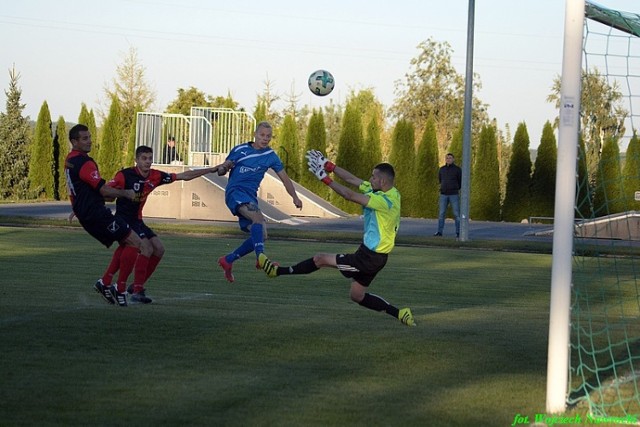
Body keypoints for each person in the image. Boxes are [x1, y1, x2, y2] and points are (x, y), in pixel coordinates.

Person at [258, 150, 416, 327]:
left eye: (373, 177)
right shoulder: (391, 192)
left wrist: (324, 178)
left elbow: (350, 195)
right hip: (374, 255)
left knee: (320, 259)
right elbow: (352, 180)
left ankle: (277, 272)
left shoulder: (384, 202)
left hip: (368, 258)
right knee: (357, 296)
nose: (370, 179)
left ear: (382, 181)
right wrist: (328, 165)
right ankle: (401, 314)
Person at [97, 145, 233, 304]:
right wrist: (88, 206)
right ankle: (131, 289)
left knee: (159, 249)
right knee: (146, 248)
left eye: (149, 158)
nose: (147, 162)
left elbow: (184, 176)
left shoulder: (155, 176)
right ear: (136, 160)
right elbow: (105, 191)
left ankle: (132, 286)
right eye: (144, 158)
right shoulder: (124, 175)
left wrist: (210, 170)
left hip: (137, 220)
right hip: (124, 220)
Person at [64, 123, 145, 307]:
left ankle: (105, 282)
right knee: (136, 242)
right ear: (74, 141)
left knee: (126, 241)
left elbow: (79, 189)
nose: (89, 141)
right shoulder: (84, 162)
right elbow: (102, 189)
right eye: (84, 138)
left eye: (90, 137)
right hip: (97, 215)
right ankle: (119, 287)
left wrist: (78, 207)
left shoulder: (70, 159)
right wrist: (125, 193)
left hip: (89, 214)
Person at [217, 121, 303, 282]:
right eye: (262, 135)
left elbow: (285, 179)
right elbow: (224, 168)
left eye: (268, 136)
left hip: (250, 196)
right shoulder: (240, 150)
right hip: (235, 192)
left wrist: (295, 197)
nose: (265, 139)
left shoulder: (270, 156)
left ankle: (228, 260)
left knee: (262, 235)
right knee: (258, 219)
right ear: (255, 134)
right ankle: (261, 259)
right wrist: (223, 168)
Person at [434, 153, 462, 238]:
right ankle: (439, 232)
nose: (448, 159)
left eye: (450, 158)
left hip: (454, 194)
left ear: (453, 159)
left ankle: (458, 232)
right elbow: (440, 180)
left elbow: (460, 181)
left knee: (457, 214)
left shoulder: (457, 169)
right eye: (447, 158)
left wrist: (456, 188)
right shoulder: (442, 169)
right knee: (441, 214)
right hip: (443, 194)